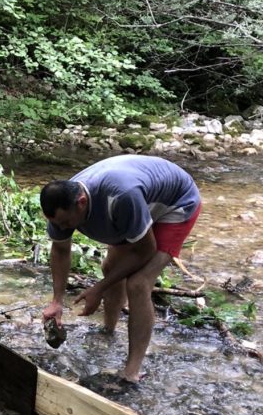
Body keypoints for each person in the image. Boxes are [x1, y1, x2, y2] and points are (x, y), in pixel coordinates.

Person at [40, 155, 202, 385]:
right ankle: (108, 331)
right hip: (139, 204)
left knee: (138, 283)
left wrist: (98, 289)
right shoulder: (60, 209)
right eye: (57, 224)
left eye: (65, 223)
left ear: (82, 202)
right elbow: (61, 250)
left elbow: (145, 250)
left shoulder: (120, 197)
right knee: (110, 267)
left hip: (176, 204)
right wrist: (57, 300)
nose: (62, 228)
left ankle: (131, 373)